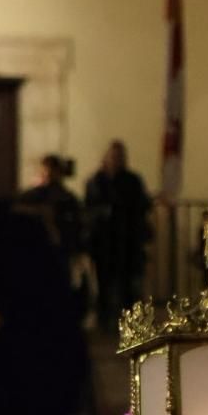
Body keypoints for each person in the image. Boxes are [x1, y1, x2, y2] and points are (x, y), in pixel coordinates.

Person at [84, 140, 152, 331]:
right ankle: (105, 319)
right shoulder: (97, 181)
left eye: (119, 157)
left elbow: (141, 205)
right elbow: (90, 207)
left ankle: (128, 321)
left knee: (127, 284)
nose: (116, 160)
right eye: (113, 157)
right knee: (104, 282)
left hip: (126, 240)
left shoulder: (131, 180)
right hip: (104, 241)